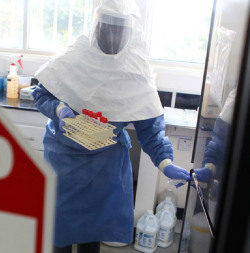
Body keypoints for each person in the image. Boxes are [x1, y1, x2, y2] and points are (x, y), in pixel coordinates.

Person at [31, 0, 200, 252]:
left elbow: (150, 127)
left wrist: (165, 162)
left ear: (131, 30)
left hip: (103, 169)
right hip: (64, 165)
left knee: (93, 231)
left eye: (119, 29)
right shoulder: (76, 55)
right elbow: (42, 94)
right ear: (95, 24)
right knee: (58, 231)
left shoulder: (135, 69)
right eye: (106, 27)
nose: (111, 36)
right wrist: (59, 109)